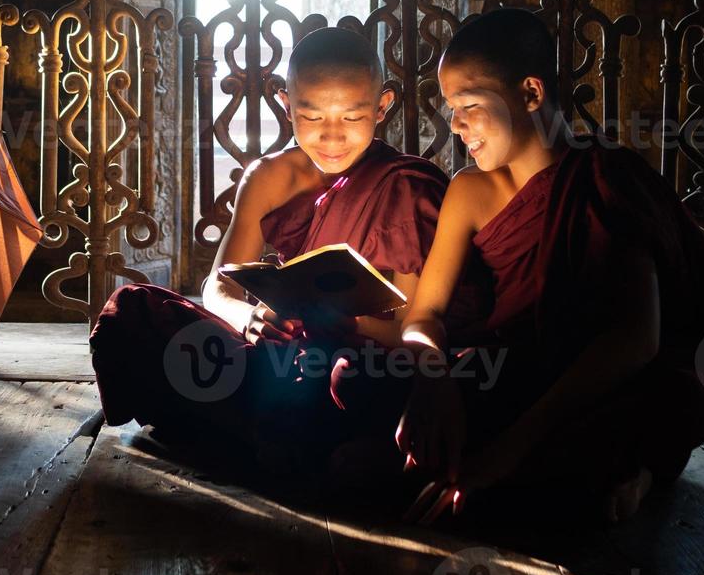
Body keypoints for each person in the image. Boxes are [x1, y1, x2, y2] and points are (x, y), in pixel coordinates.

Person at [392, 7, 704, 525]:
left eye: (468, 105)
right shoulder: (470, 190)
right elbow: (424, 317)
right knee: (363, 377)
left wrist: (511, 448)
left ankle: (617, 474)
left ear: (531, 93)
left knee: (679, 398)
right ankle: (587, 478)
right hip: (510, 369)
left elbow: (635, 340)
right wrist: (434, 380)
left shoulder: (605, 179)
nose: (456, 124)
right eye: (450, 108)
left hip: (590, 385)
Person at [89, 27, 477, 461]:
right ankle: (296, 446)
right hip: (279, 352)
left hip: (356, 357)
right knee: (131, 313)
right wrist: (249, 318)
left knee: (355, 378)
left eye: (351, 118)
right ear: (286, 104)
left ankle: (258, 441)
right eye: (312, 118)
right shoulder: (268, 178)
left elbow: (411, 329)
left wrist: (343, 323)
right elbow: (218, 287)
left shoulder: (406, 186)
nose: (332, 137)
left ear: (382, 106)